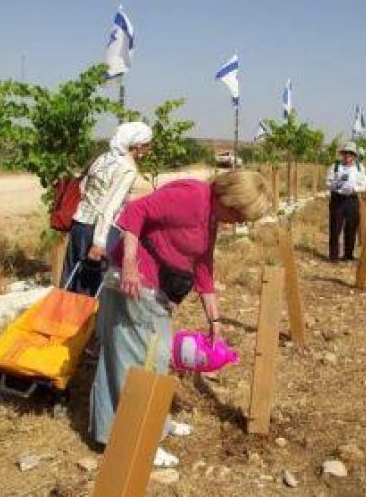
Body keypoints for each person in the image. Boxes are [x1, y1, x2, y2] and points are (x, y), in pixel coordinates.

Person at [89, 171, 271, 467]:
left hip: (156, 291)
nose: (238, 223)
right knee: (139, 363)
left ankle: (153, 425)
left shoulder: (212, 215)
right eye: (239, 215)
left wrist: (215, 321)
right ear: (229, 199)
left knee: (156, 360)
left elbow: (202, 265)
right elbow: (135, 211)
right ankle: (134, 438)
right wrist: (130, 265)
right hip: (135, 284)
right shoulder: (191, 196)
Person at [61, 121, 153, 295]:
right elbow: (109, 206)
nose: (148, 149)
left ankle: (61, 320)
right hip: (98, 230)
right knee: (88, 290)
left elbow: (83, 188)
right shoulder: (127, 168)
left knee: (70, 282)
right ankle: (84, 322)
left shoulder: (102, 158)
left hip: (79, 224)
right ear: (138, 146)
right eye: (147, 145)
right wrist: (99, 242)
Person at [325, 141, 366, 262]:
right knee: (335, 228)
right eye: (345, 153)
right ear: (342, 154)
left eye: (351, 154)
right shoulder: (335, 166)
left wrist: (355, 189)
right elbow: (327, 182)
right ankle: (333, 256)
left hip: (352, 200)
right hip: (337, 199)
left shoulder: (360, 168)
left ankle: (348, 255)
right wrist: (336, 186)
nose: (348, 156)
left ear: (354, 155)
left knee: (351, 228)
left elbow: (364, 185)